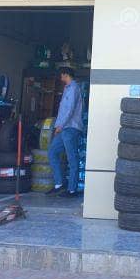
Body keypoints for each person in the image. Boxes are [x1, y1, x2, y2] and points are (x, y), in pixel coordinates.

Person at [46, 67, 84, 197]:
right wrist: (59, 126)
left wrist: (60, 126)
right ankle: (59, 184)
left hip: (70, 128)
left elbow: (70, 110)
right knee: (52, 152)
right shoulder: (67, 88)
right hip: (63, 128)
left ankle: (72, 190)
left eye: (61, 75)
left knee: (72, 158)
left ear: (65, 75)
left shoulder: (73, 88)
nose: (60, 77)